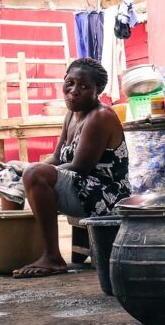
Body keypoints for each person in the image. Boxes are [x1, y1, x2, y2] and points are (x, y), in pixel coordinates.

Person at [12, 58, 130, 278]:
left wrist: (32, 171)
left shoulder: (100, 116)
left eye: (84, 87)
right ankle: (5, 252)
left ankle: (53, 257)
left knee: (33, 173)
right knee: (8, 178)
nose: (74, 91)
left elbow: (80, 167)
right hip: (81, 189)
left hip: (105, 197)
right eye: (70, 83)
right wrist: (21, 172)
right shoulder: (72, 114)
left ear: (98, 91)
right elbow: (57, 157)